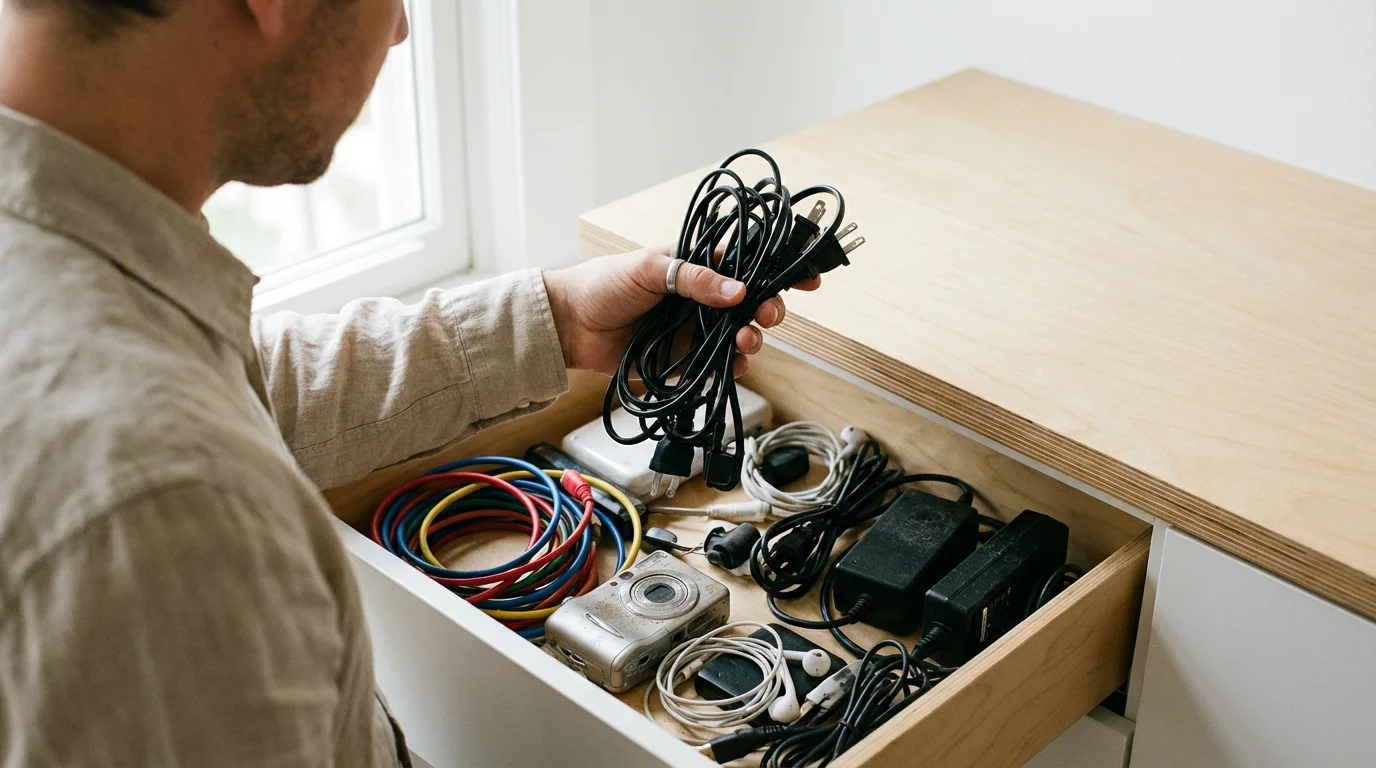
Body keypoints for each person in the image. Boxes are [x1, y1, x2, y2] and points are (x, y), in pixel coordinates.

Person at [0, 1, 818, 765]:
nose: (396, 33)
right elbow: (177, 435)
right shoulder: (163, 512)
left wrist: (557, 319)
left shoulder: (72, 280)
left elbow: (237, 384)